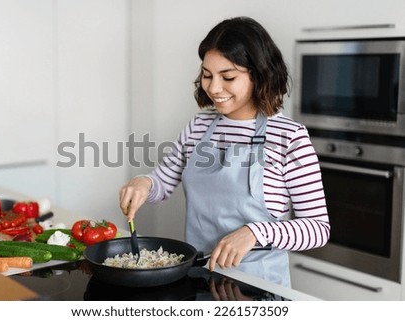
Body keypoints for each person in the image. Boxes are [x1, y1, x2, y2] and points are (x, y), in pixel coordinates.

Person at [119, 16, 330, 287]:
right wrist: (144, 182)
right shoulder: (199, 125)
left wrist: (256, 232)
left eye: (228, 77)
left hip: (258, 287)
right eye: (207, 75)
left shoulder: (290, 137)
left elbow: (317, 229)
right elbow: (164, 181)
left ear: (259, 75)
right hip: (198, 278)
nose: (214, 88)